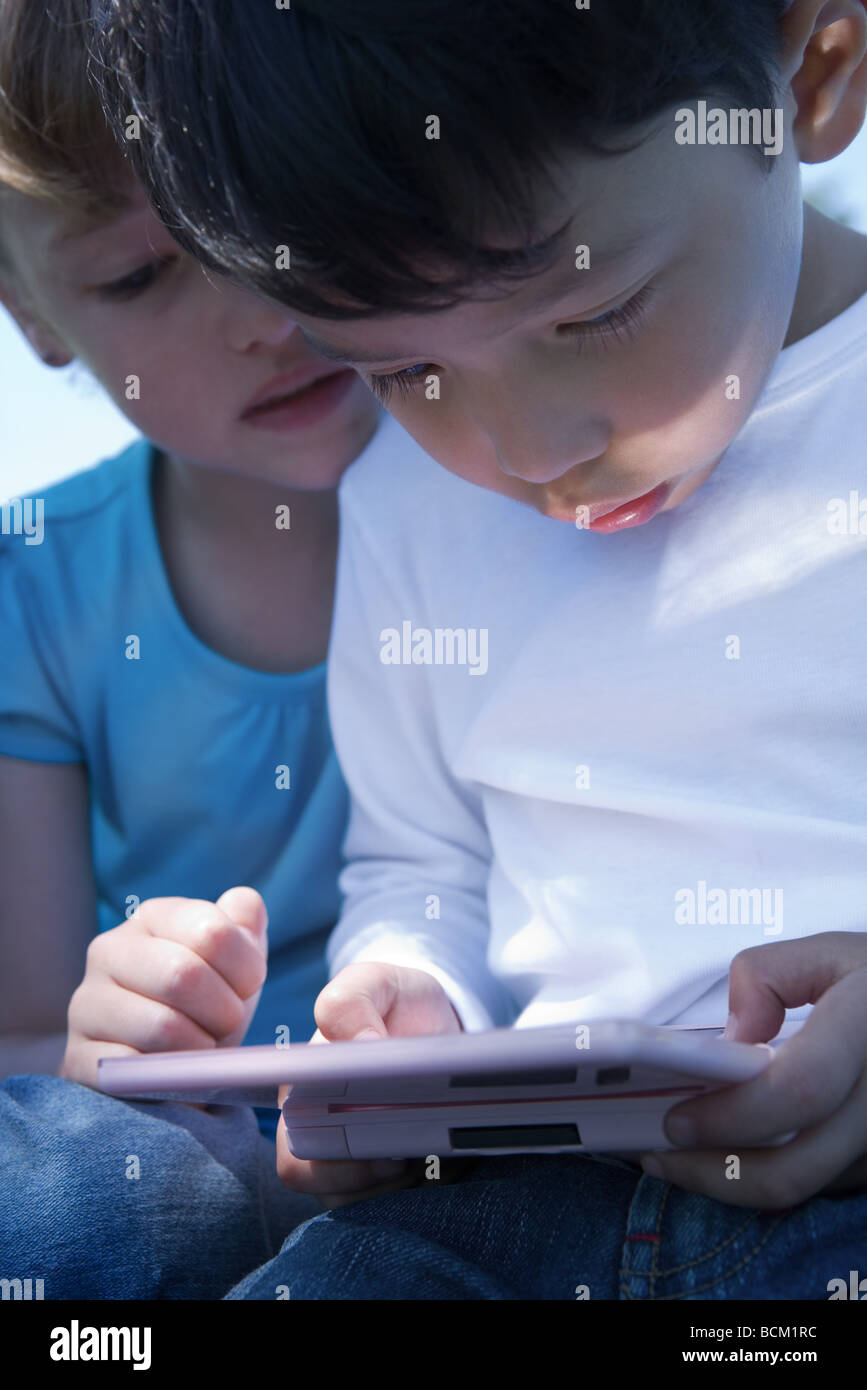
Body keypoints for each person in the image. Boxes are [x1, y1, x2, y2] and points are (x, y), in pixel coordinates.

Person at [19, 0, 867, 1298]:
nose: (526, 451)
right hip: (512, 1196)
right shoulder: (404, 502)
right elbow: (422, 857)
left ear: (813, 73)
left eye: (596, 313)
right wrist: (403, 995)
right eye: (405, 369)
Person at [0, 0, 387, 1298]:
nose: (257, 309)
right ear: (31, 307)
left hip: (469, 1143)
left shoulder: (539, 482)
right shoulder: (34, 584)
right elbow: (24, 1037)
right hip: (189, 1164)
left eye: (281, 201)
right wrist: (102, 1031)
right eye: (139, 271)